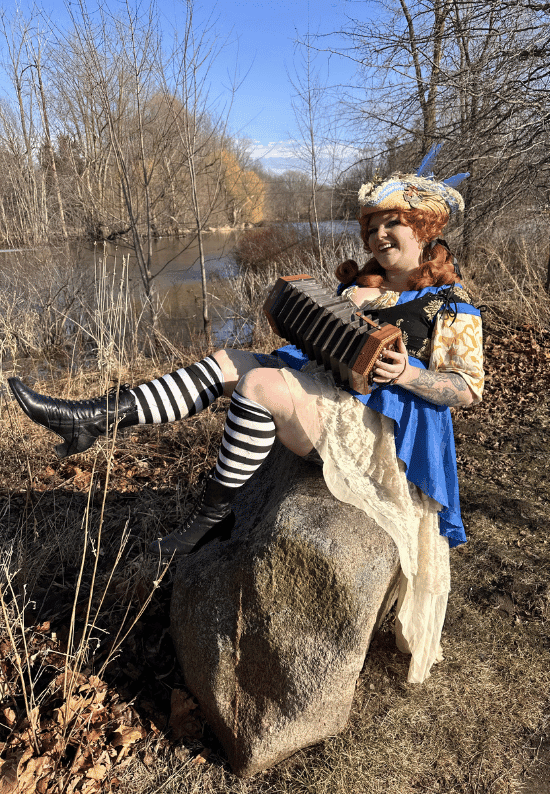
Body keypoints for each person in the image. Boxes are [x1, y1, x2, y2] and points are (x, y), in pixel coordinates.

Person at [8, 146, 484, 682]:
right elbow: (326, 345)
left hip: (380, 436)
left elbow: (466, 389)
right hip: (331, 397)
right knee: (225, 360)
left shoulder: (450, 305)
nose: (377, 236)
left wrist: (409, 375)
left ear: (424, 229)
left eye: (391, 224)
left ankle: (211, 520)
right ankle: (91, 417)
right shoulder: (358, 290)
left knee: (257, 384)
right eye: (371, 226)